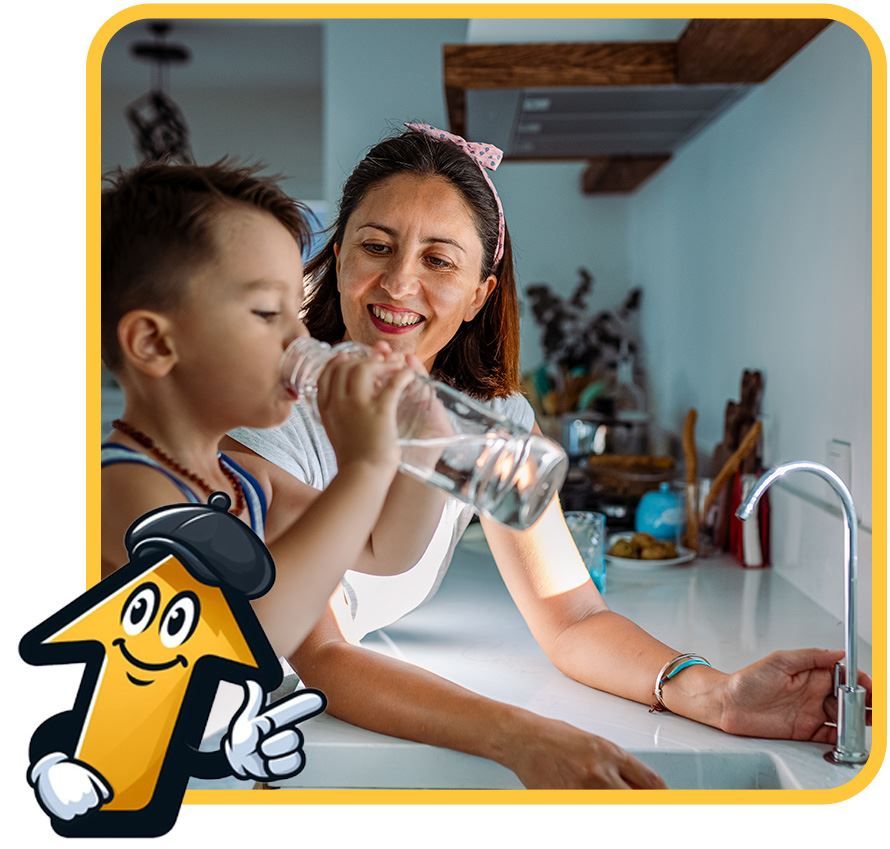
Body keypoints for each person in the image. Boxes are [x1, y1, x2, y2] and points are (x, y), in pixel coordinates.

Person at [224, 126, 871, 789]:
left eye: (439, 260)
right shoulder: (270, 410)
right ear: (337, 258)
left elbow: (571, 617)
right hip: (235, 729)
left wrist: (715, 693)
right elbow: (324, 652)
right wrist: (520, 734)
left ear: (480, 291)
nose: (399, 281)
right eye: (376, 246)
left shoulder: (493, 419)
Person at [100, 159, 445, 658]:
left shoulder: (244, 480)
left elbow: (384, 551)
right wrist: (365, 467)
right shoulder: (123, 487)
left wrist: (422, 447)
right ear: (153, 343)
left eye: (294, 310)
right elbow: (242, 644)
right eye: (267, 312)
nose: (299, 336)